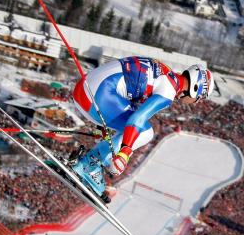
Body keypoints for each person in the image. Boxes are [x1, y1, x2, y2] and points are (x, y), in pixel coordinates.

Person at [70, 56, 214, 200]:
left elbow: (124, 90)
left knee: (135, 128)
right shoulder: (169, 90)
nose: (196, 102)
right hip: (94, 98)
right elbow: (137, 119)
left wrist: (100, 128)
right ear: (196, 88)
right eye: (200, 97)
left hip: (84, 90)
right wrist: (124, 153)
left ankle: (90, 162)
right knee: (145, 132)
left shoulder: (166, 72)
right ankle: (89, 165)